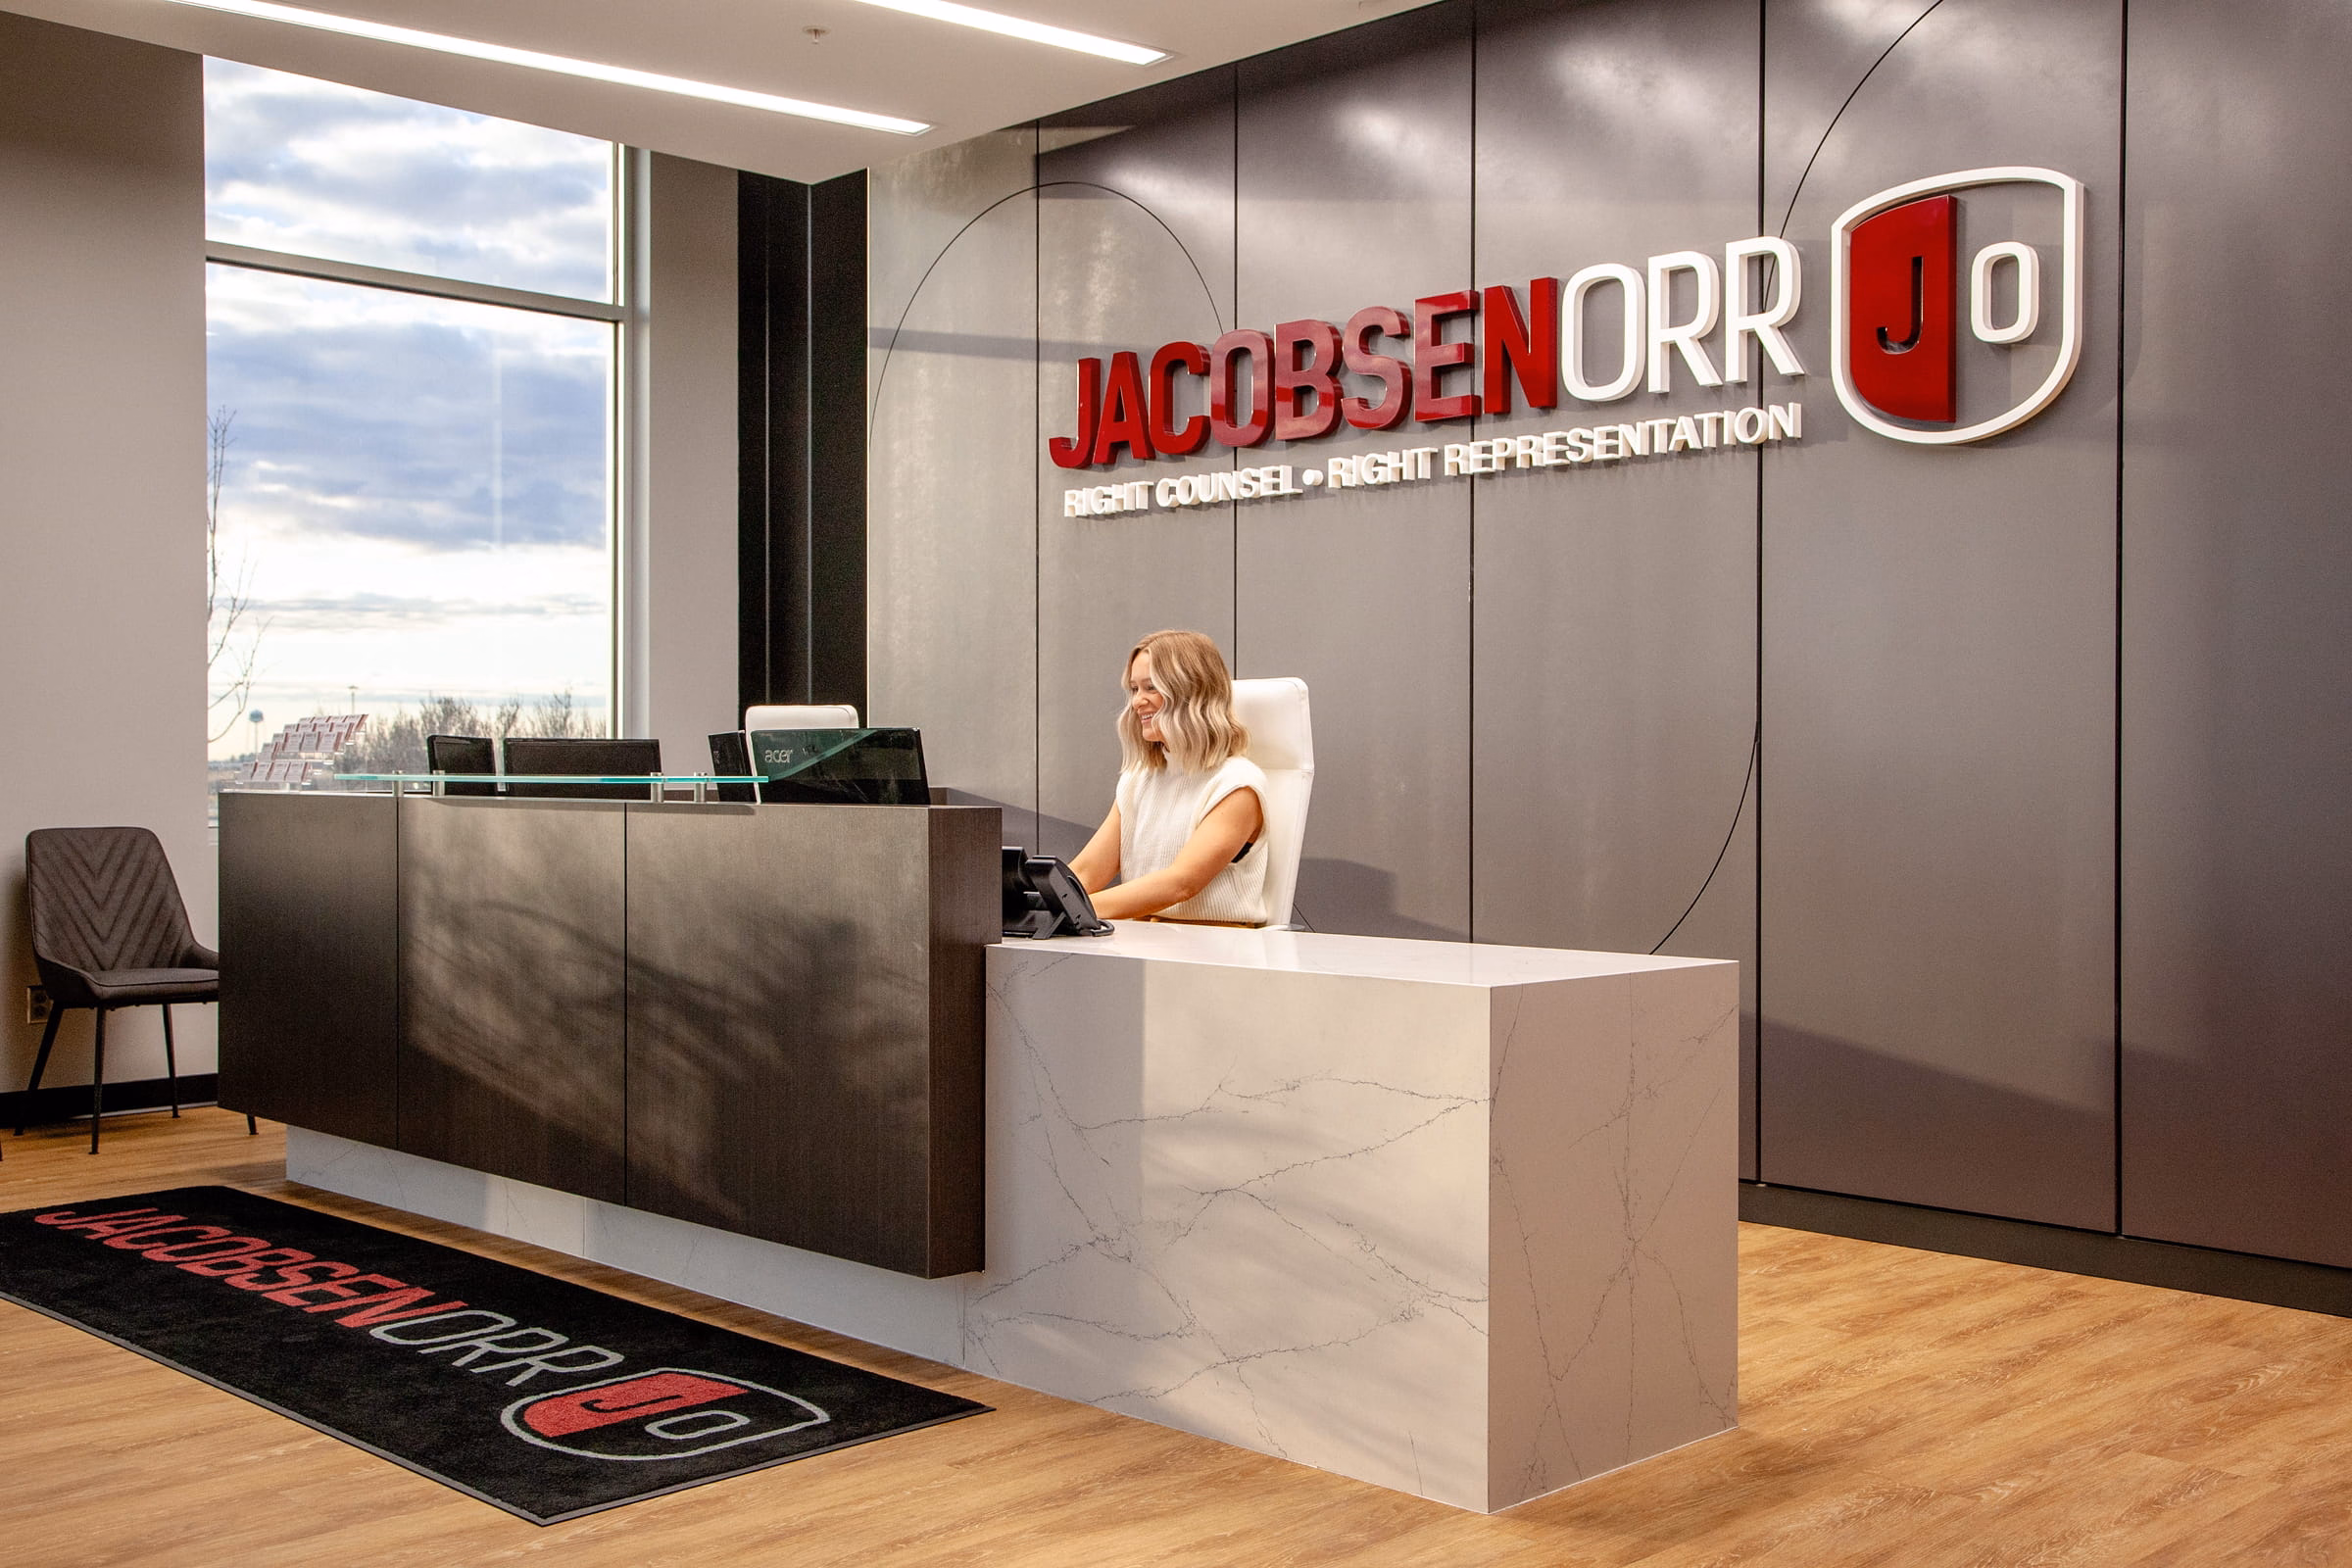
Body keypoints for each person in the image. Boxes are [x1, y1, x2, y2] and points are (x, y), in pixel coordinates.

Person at [1070, 629, 1269, 924]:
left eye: (1151, 688)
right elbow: (1086, 873)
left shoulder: (1237, 784)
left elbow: (1180, 884)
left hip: (1211, 954)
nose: (1138, 702)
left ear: (1192, 693)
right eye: (1135, 689)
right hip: (1143, 945)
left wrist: (1068, 910)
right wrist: (1025, 903)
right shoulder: (1137, 781)